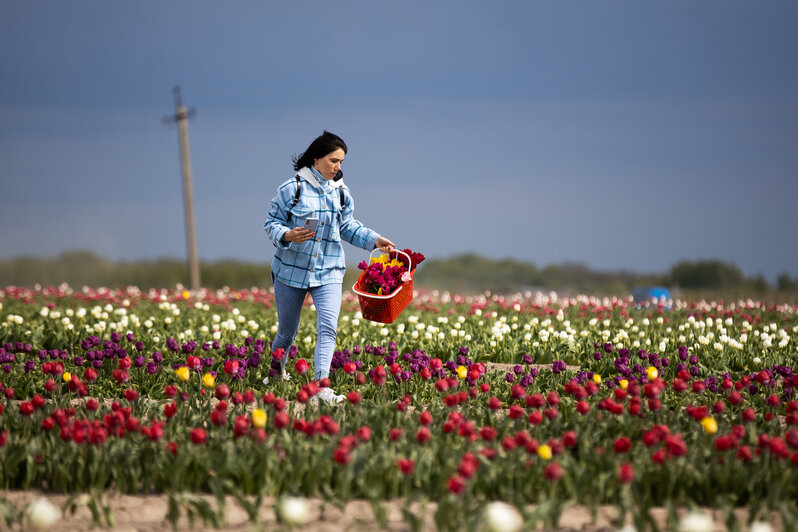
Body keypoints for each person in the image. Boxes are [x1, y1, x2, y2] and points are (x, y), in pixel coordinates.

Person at [263, 131, 395, 404]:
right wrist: (288, 235)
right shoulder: (292, 188)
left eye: (341, 162)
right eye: (334, 160)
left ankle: (320, 388)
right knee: (287, 331)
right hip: (290, 270)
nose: (338, 167)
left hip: (329, 271)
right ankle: (276, 374)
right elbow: (271, 224)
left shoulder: (342, 192)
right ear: (316, 158)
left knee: (328, 328)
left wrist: (374, 240)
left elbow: (348, 227)